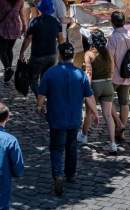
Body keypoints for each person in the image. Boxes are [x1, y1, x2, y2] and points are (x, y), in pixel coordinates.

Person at [36, 42, 99, 196]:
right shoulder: (80, 74)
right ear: (72, 56)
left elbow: (41, 96)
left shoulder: (50, 73)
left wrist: (39, 106)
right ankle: (70, 174)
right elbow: (89, 96)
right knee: (71, 147)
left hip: (56, 118)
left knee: (57, 148)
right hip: (74, 119)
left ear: (60, 54)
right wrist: (95, 113)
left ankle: (58, 175)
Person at [78, 30, 123, 154]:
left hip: (96, 85)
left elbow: (89, 73)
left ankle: (83, 135)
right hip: (108, 84)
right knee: (108, 115)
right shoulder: (108, 53)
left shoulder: (89, 54)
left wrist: (87, 89)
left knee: (89, 113)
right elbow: (112, 70)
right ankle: (113, 143)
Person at [18, 0, 64, 95]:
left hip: (37, 56)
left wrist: (22, 52)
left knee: (33, 79)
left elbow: (28, 39)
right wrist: (62, 56)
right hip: (52, 55)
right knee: (46, 79)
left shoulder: (35, 22)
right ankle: (45, 98)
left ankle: (39, 97)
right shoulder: (56, 23)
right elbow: (61, 40)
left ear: (40, 9)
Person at [106, 11, 130, 142]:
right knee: (124, 102)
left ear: (112, 23)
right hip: (128, 73)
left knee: (106, 100)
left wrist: (109, 74)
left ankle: (119, 124)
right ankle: (121, 133)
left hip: (115, 75)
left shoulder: (112, 38)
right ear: (124, 22)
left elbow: (110, 58)